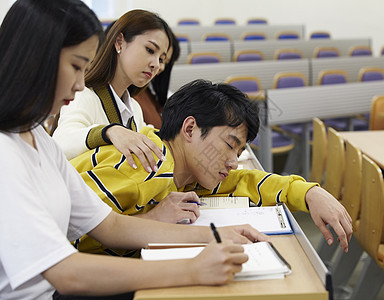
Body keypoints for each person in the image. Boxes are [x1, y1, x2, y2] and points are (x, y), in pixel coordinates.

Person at [0, 1, 268, 299]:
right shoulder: (5, 151)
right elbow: (66, 272)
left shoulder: (37, 137)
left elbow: (109, 224)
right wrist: (191, 269)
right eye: (76, 66)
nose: (79, 84)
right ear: (34, 59)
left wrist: (215, 236)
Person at [71, 79, 353, 257]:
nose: (233, 161)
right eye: (230, 145)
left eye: (240, 152)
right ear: (190, 128)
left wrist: (308, 192)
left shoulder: (188, 174)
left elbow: (245, 181)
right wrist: (153, 220)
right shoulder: (147, 165)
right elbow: (75, 240)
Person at [52, 9, 172, 174]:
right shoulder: (84, 95)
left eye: (161, 59)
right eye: (150, 50)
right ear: (119, 42)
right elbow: (61, 143)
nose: (156, 65)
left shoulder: (134, 109)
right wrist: (110, 131)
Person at [133, 23, 180, 128]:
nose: (159, 66)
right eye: (150, 50)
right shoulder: (134, 96)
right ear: (119, 42)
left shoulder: (146, 91)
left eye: (163, 60)